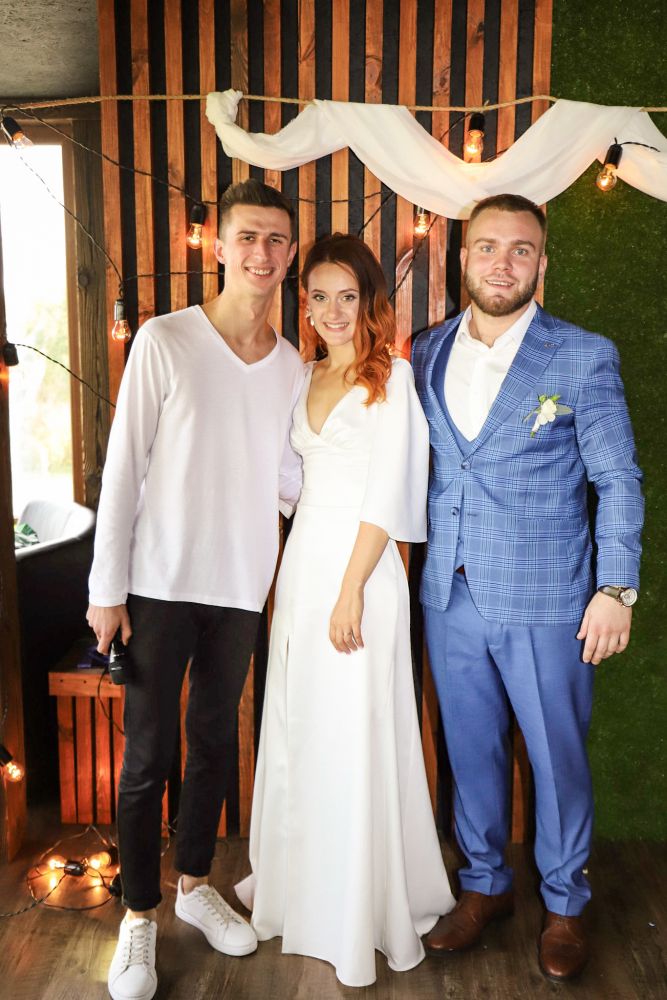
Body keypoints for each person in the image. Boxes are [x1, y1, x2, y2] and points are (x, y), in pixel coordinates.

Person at [413, 193, 644, 981]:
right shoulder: (425, 351)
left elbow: (617, 479)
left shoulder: (581, 355)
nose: (501, 263)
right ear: (462, 258)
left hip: (549, 601)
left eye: (520, 250)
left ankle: (565, 903)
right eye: (486, 247)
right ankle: (483, 886)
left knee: (555, 759)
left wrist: (615, 588)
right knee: (468, 751)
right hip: (448, 594)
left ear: (540, 263)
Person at [87, 178, 305, 1000]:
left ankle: (193, 885)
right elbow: (123, 468)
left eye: (275, 239)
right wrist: (107, 588)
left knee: (214, 743)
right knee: (148, 756)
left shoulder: (291, 365)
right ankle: (139, 916)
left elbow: (288, 481)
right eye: (247, 236)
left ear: (290, 252)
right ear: (218, 246)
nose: (261, 253)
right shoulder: (164, 340)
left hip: (242, 585)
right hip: (158, 582)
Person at [235, 233, 454, 987]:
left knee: (356, 729)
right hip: (303, 568)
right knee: (303, 724)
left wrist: (351, 588)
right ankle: (305, 891)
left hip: (361, 571)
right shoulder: (302, 376)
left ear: (369, 303)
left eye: (347, 297)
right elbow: (287, 484)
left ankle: (362, 905)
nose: (333, 311)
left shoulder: (390, 378)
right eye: (320, 297)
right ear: (305, 304)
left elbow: (391, 492)